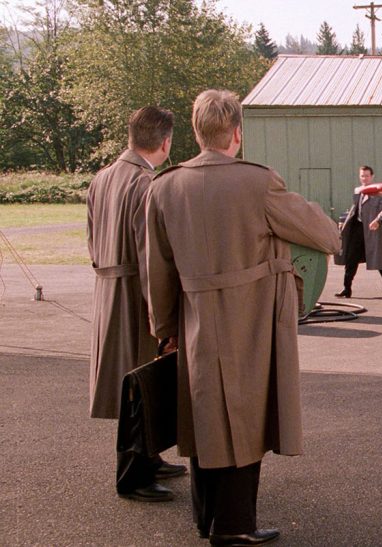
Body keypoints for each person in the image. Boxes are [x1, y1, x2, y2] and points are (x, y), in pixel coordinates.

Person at [144, 89, 340, 545]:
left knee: (203, 417)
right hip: (249, 319)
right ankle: (233, 526)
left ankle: (207, 518)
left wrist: (165, 329)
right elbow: (325, 235)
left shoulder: (165, 186)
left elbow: (158, 268)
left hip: (193, 319)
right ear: (237, 133)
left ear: (195, 132)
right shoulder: (258, 181)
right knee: (245, 420)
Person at [87, 106, 186, 503]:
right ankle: (133, 474)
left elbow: (93, 240)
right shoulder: (146, 183)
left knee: (136, 378)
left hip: (110, 288)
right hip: (136, 293)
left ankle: (149, 456)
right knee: (140, 383)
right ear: (165, 142)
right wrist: (164, 317)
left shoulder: (102, 178)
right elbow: (153, 256)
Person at [335, 165, 382, 297]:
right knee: (351, 258)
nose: (364, 178)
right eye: (362, 176)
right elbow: (354, 209)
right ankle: (347, 288)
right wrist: (345, 224)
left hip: (373, 231)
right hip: (358, 229)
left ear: (372, 177)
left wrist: (378, 221)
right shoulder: (358, 191)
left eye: (367, 176)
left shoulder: (379, 193)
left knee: (378, 259)